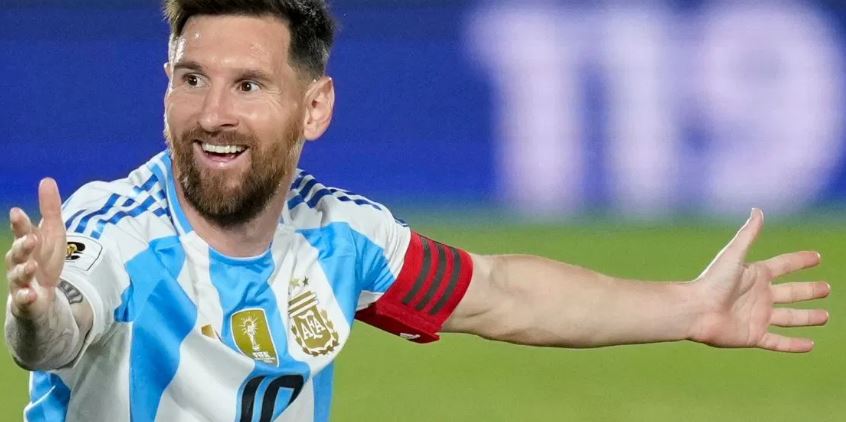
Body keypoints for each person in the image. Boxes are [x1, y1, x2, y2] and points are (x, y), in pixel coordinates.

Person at [3, 1, 831, 421]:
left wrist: (689, 307)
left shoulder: (344, 239)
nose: (212, 112)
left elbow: (500, 293)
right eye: (191, 79)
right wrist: (38, 313)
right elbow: (63, 325)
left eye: (247, 86)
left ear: (314, 108)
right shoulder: (115, 229)